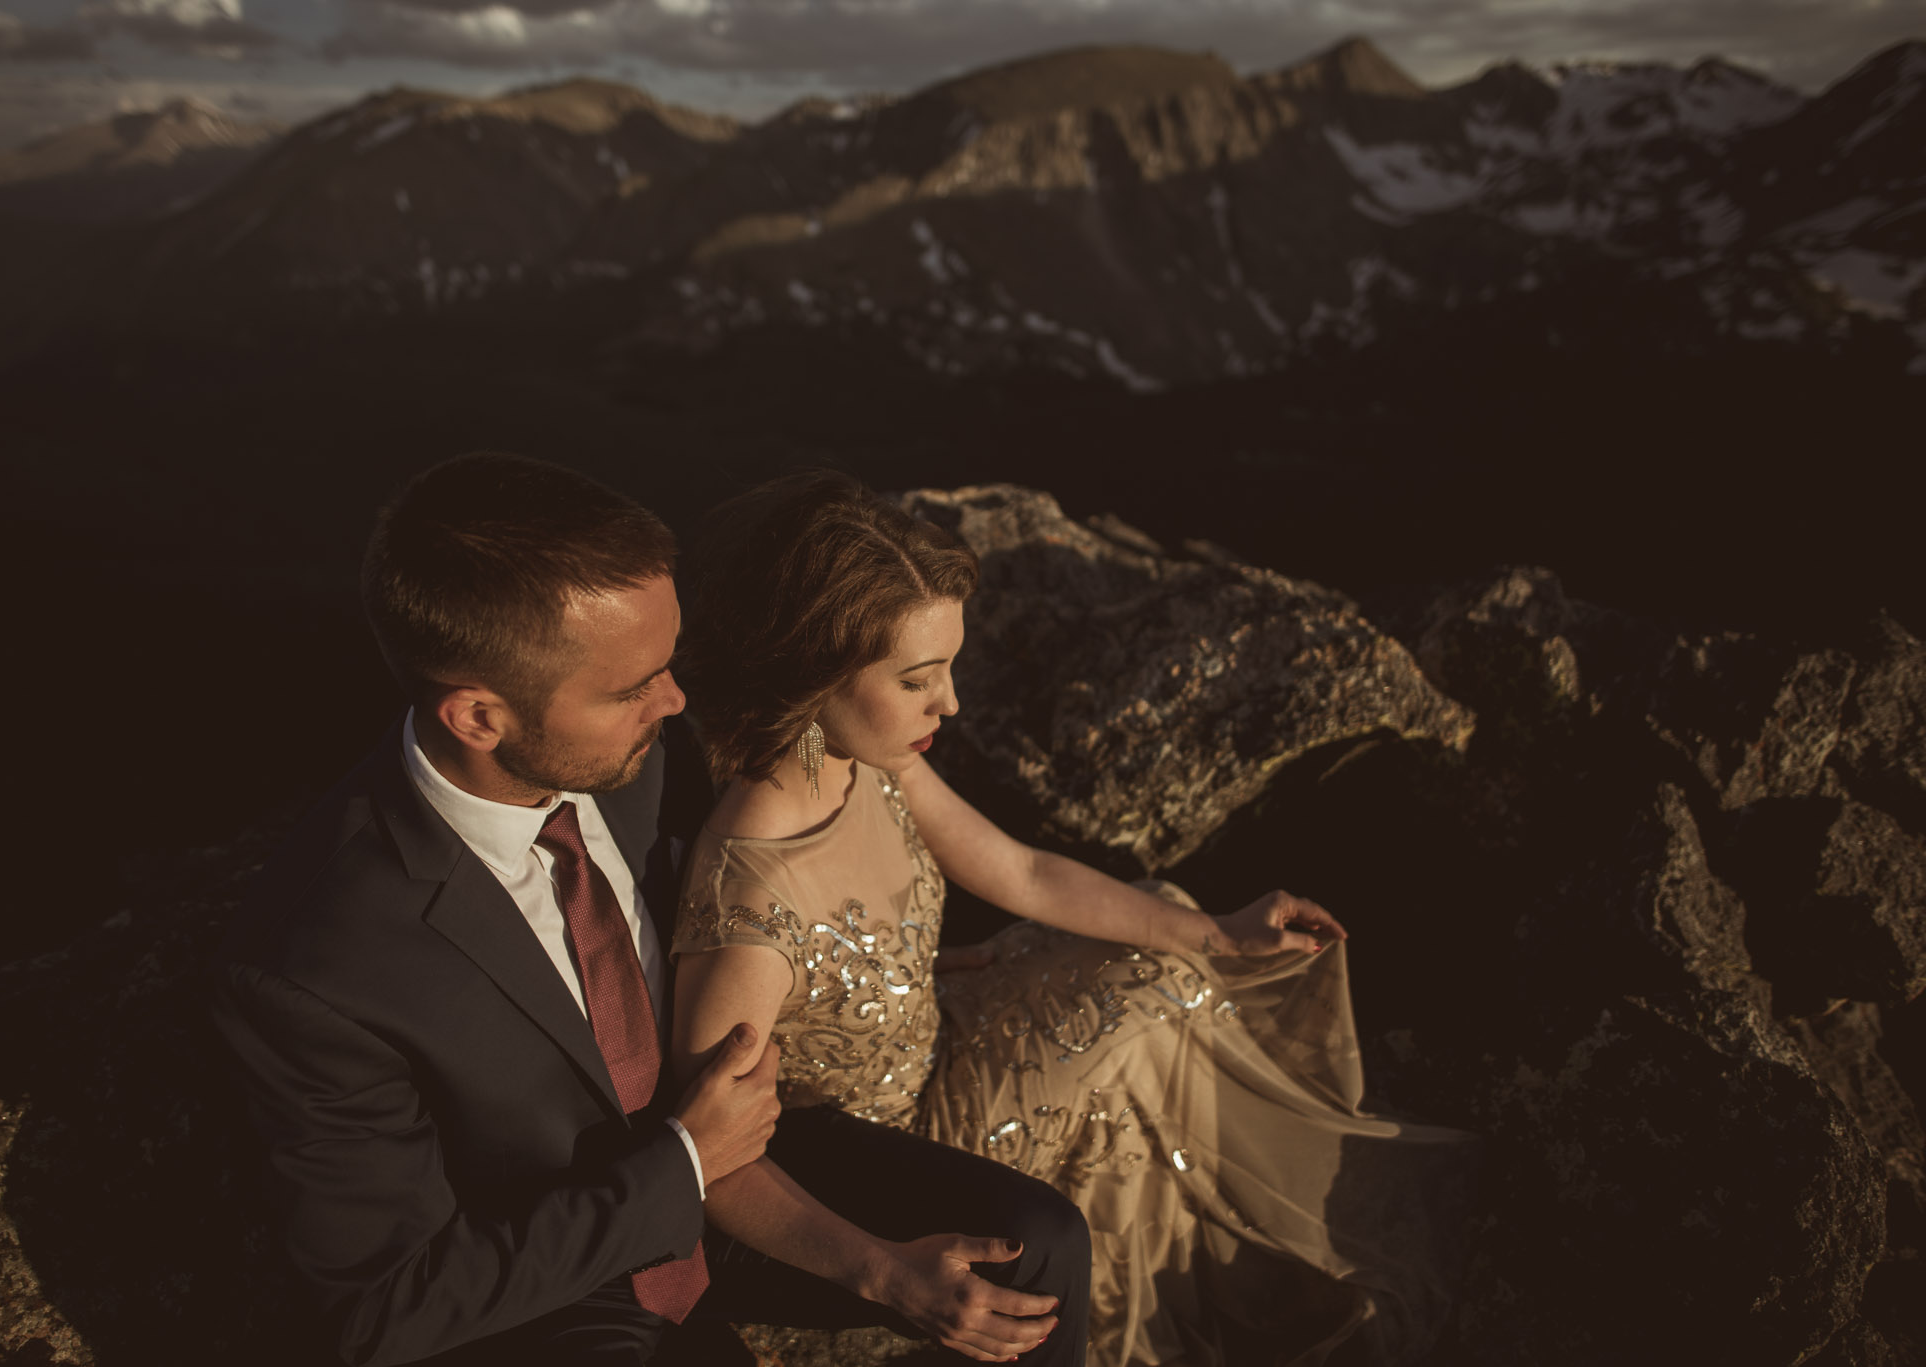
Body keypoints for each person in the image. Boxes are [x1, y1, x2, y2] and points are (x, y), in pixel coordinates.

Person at [210, 452, 1092, 1367]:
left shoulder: (656, 752)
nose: (676, 702)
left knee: (1035, 1248)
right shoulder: (316, 967)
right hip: (563, 1286)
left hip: (755, 1155)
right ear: (478, 717)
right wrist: (681, 1165)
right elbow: (386, 1307)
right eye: (634, 688)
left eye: (668, 666)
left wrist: (870, 964)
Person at [670, 472, 1478, 1367]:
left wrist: (1222, 929)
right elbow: (711, 1154)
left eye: (951, 668)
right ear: (811, 671)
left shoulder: (867, 760)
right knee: (1136, 1003)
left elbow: (1021, 869)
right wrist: (885, 1271)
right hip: (893, 1148)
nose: (953, 703)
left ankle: (1210, 1262)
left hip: (941, 1039)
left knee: (1162, 941)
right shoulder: (748, 906)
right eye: (918, 679)